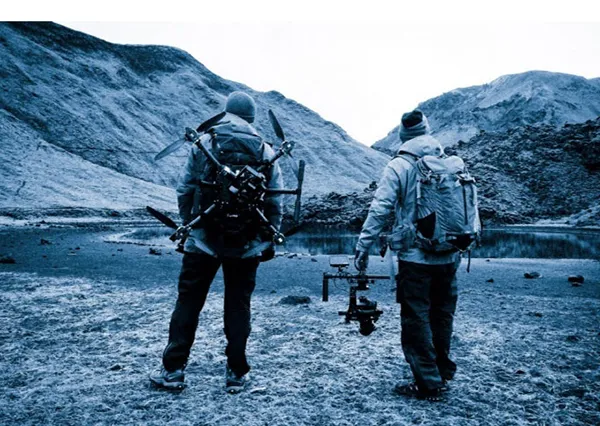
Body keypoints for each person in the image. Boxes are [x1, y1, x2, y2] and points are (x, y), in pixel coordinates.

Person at [150, 91, 283, 393]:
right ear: (250, 117)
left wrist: (188, 227)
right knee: (238, 305)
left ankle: (173, 370)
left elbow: (185, 188)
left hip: (203, 239)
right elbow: (275, 199)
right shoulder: (265, 149)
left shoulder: (206, 143)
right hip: (247, 243)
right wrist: (269, 235)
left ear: (226, 112)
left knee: (189, 301)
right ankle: (236, 372)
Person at [354, 109, 461, 401]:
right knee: (442, 314)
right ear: (427, 130)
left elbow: (380, 208)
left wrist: (363, 245)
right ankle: (441, 370)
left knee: (416, 316)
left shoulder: (399, 165)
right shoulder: (448, 162)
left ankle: (428, 383)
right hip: (450, 254)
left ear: (403, 136)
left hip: (415, 257)